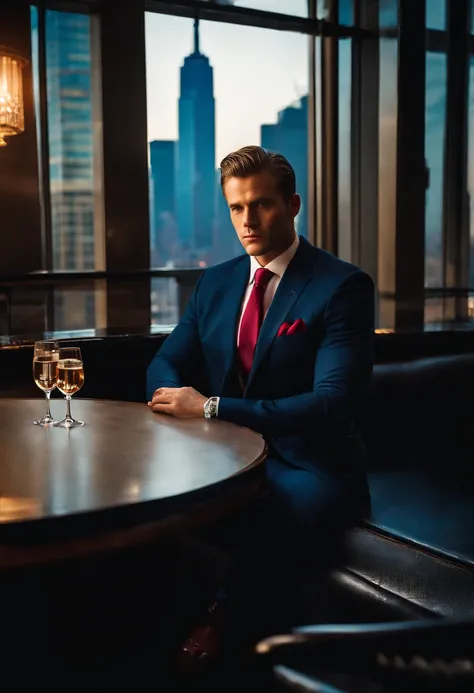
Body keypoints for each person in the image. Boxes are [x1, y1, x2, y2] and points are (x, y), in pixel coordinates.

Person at [146, 145, 375, 668]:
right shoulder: (217, 281)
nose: (247, 220)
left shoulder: (341, 287)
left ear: (293, 205)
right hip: (225, 453)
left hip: (309, 460)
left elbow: (331, 404)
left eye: (262, 204)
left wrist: (210, 409)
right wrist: (170, 397)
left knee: (269, 511)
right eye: (236, 207)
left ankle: (222, 616)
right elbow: (164, 363)